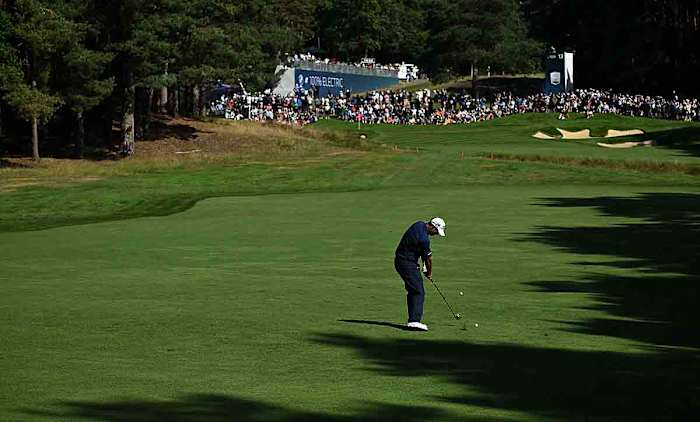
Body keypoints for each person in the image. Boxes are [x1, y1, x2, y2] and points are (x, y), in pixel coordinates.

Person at [394, 217, 446, 331]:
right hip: (406, 263)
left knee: (414, 289)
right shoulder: (424, 239)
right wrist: (429, 273)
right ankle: (414, 321)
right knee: (418, 290)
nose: (436, 234)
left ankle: (413, 319)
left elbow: (419, 249)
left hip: (403, 260)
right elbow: (429, 258)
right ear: (432, 226)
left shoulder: (418, 224)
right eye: (436, 231)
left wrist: (421, 264)